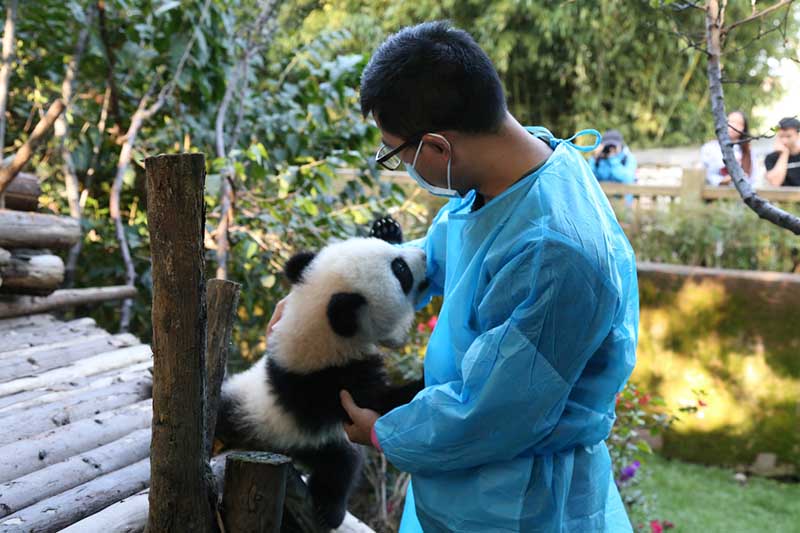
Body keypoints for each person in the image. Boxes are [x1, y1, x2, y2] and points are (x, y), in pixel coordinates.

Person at [267, 21, 638, 532]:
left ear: (438, 148)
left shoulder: (558, 255)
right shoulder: (496, 184)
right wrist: (320, 297)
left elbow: (492, 413)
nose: (398, 165)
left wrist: (385, 432)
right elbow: (430, 259)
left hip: (518, 502)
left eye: (395, 153)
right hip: (465, 484)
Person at [699, 110, 752, 186]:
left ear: (744, 128)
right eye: (731, 122)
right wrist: (722, 181)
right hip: (712, 192)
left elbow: (752, 179)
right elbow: (704, 173)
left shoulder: (747, 150)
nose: (734, 126)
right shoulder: (709, 148)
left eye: (739, 124)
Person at [765, 117, 800, 187]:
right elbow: (775, 183)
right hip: (781, 197)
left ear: (798, 135)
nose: (784, 141)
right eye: (781, 136)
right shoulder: (771, 158)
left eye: (788, 136)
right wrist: (784, 154)